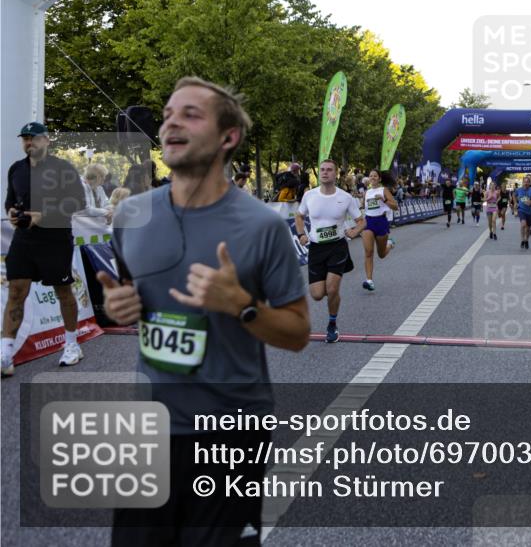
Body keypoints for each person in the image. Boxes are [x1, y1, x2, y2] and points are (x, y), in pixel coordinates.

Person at [98, 77, 310, 544]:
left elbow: (297, 333)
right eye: (169, 114)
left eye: (191, 114)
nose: (172, 121)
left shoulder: (262, 226)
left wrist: (241, 306)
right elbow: (128, 303)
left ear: (228, 137)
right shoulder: (131, 215)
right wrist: (119, 309)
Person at [2, 122, 86, 375]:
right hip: (24, 239)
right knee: (16, 291)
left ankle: (71, 344)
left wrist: (43, 215)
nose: (29, 142)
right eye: (25, 138)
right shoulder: (16, 169)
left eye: (34, 138)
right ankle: (5, 353)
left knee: (63, 290)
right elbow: (9, 201)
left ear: (47, 140)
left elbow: (78, 202)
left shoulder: (63, 168)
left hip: (55, 239)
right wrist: (12, 214)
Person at [296, 159, 365, 342]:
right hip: (316, 248)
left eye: (329, 170)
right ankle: (331, 294)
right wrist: (301, 234)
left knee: (332, 288)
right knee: (318, 294)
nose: (325, 172)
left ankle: (332, 324)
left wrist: (355, 231)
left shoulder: (345, 197)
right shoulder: (309, 195)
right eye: (322, 170)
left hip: (337, 246)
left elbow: (361, 221)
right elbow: (299, 215)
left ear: (335, 174)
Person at [360, 170, 398, 292]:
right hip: (368, 222)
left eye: (375, 176)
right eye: (370, 176)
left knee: (381, 254)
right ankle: (369, 280)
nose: (372, 177)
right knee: (368, 252)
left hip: (381, 222)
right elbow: (364, 207)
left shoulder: (384, 190)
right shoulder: (367, 192)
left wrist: (384, 200)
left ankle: (389, 245)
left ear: (379, 179)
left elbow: (395, 206)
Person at [515, 176, 531, 250]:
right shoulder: (519, 190)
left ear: (529, 183)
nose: (525, 183)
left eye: (527, 182)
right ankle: (522, 240)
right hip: (521, 210)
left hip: (530, 211)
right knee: (523, 224)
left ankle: (526, 240)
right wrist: (516, 202)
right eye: (524, 182)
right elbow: (514, 195)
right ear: (523, 182)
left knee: (528, 228)